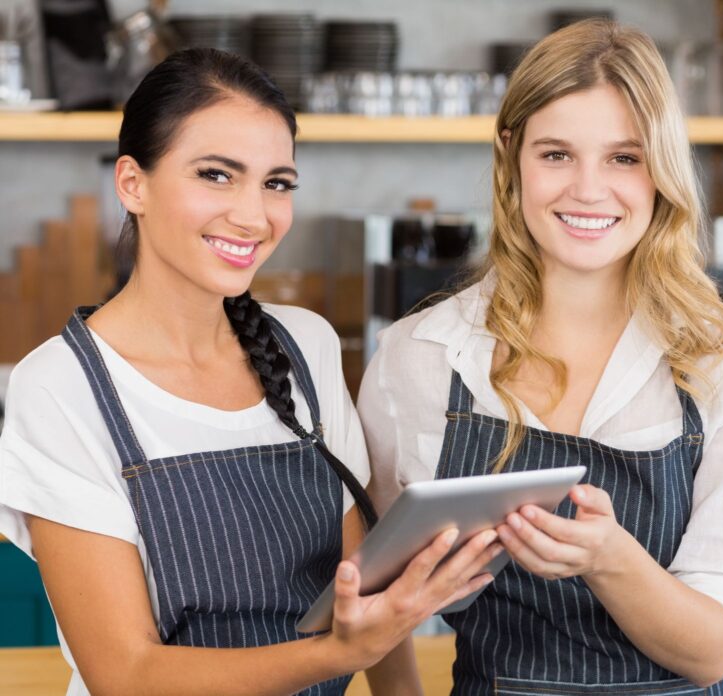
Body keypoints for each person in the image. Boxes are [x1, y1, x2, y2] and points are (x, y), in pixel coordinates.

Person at [0, 48, 500, 696]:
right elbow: (125, 673)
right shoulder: (62, 387)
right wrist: (335, 654)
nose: (254, 215)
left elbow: (362, 585)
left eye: (277, 183)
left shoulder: (307, 347)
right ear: (133, 184)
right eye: (216, 175)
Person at [358, 19, 723, 695]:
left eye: (625, 157)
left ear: (662, 169)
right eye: (556, 154)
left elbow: (712, 652)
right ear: (512, 155)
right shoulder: (420, 358)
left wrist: (610, 559)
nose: (588, 190)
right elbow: (372, 600)